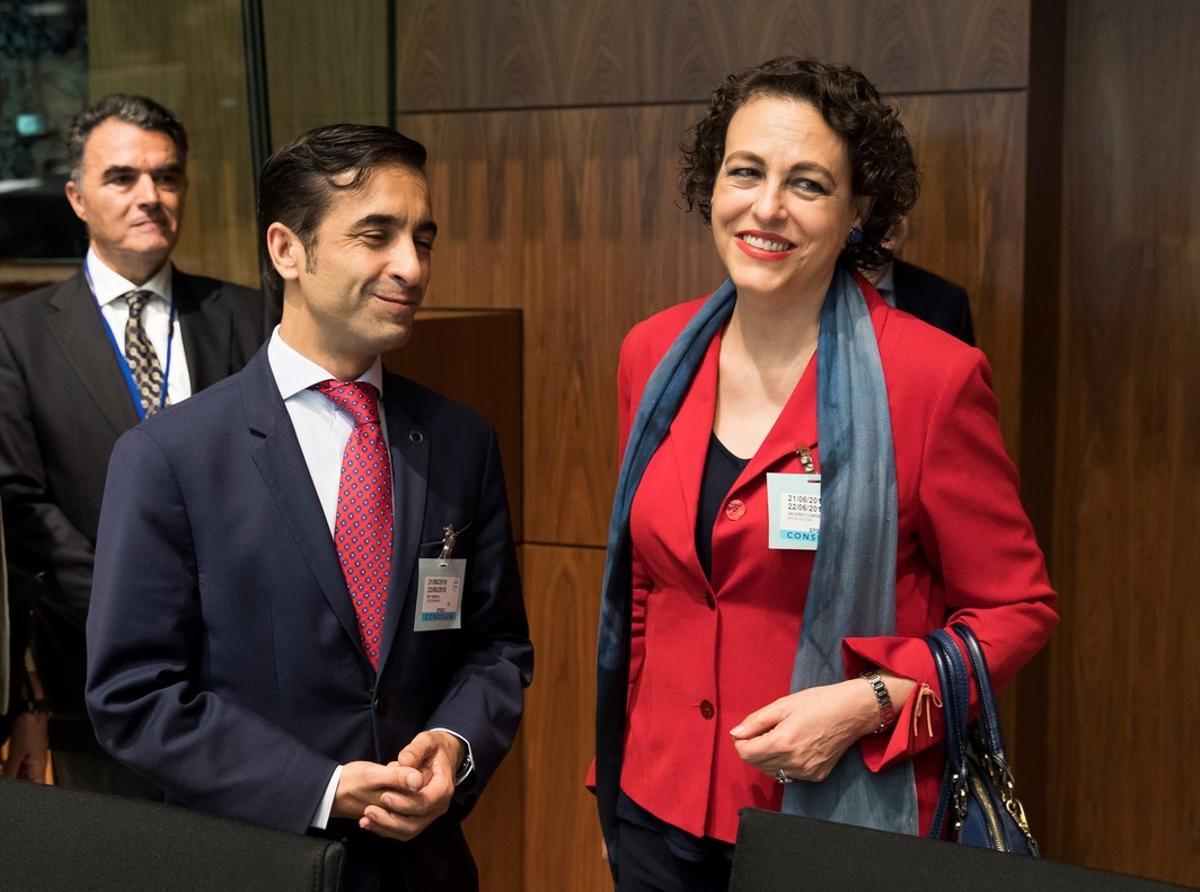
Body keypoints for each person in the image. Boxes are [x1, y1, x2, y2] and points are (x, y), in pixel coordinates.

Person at [593, 58, 1057, 890]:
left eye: (807, 184)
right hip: (653, 813)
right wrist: (617, 783)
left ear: (856, 213)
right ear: (713, 184)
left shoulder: (931, 379)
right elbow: (643, 589)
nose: (766, 207)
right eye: (745, 172)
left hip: (837, 824)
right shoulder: (652, 354)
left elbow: (1017, 610)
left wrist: (869, 704)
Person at [85, 124, 533, 890]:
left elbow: (496, 649)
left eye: (423, 238)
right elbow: (134, 695)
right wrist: (319, 789)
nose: (413, 266)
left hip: (422, 868)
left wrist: (454, 745)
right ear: (287, 250)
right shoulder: (171, 457)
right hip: (248, 862)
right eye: (376, 235)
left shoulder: (460, 440)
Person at [0, 93, 264, 795]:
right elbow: (22, 510)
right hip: (95, 681)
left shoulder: (250, 316)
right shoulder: (18, 335)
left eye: (168, 176)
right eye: (122, 177)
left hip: (243, 686)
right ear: (77, 197)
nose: (150, 195)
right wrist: (137, 607)